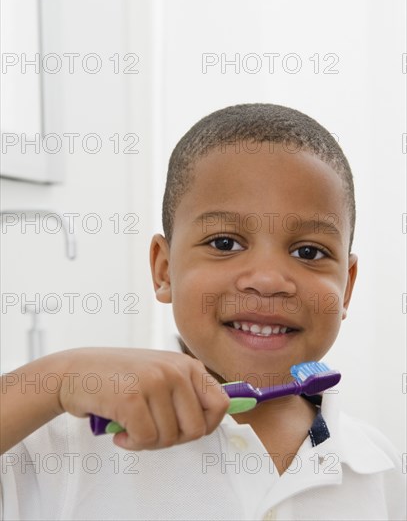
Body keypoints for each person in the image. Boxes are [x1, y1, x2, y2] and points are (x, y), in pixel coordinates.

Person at [1, 104, 404, 520]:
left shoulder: (380, 467)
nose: (267, 279)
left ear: (347, 287)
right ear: (164, 270)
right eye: (225, 243)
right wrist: (58, 379)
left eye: (309, 252)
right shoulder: (62, 445)